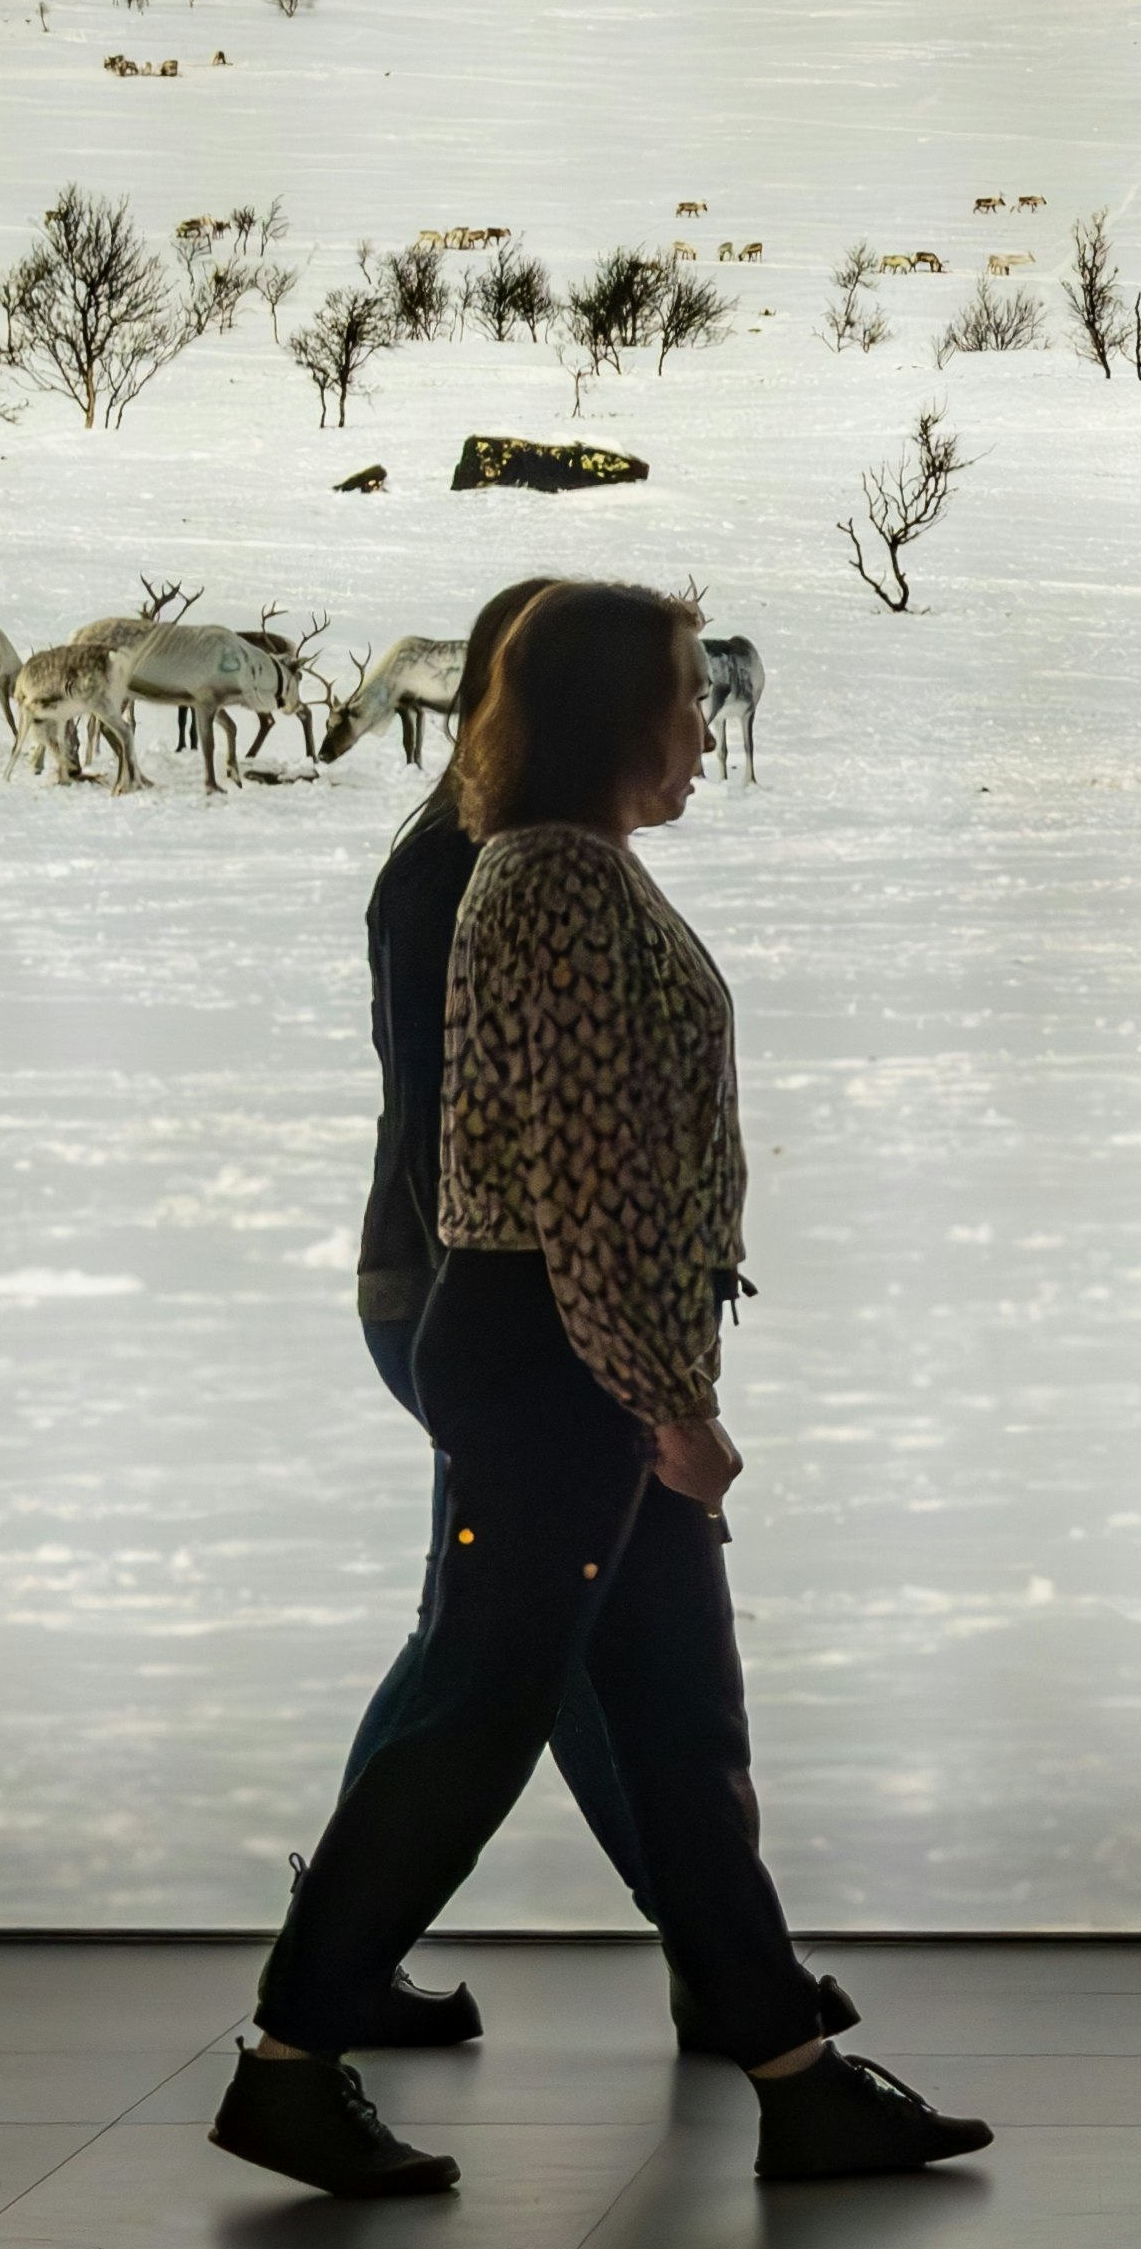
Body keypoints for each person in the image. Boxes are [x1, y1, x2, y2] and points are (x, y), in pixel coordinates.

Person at [220, 578, 988, 2196]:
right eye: (685, 703)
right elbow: (579, 1191)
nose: (709, 729)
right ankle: (291, 2060)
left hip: (575, 1363)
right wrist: (670, 1409)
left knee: (678, 1726)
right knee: (477, 1719)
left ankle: (796, 2075)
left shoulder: (575, 871)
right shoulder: (554, 892)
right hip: (557, 1371)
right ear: (608, 723)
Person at [321, 573, 858, 2062]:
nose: (702, 725)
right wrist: (641, 1385)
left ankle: (737, 1986)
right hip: (513, 1315)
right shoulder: (494, 873)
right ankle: (322, 1995)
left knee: (572, 1663)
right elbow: (518, 1142)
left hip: (544, 1320)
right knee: (505, 1668)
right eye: (678, 695)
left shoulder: (529, 858)